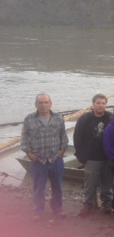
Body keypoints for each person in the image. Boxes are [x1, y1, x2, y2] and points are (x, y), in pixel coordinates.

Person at [21, 93, 69, 221]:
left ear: (50, 104)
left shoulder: (58, 118)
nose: (43, 105)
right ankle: (38, 211)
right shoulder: (29, 119)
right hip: (38, 160)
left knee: (57, 187)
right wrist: (29, 154)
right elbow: (24, 139)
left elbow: (63, 137)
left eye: (46, 102)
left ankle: (57, 209)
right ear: (36, 104)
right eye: (40, 103)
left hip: (56, 159)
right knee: (38, 188)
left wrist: (62, 151)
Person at [73, 93, 114, 216]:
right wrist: (80, 155)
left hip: (107, 157)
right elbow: (77, 137)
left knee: (107, 182)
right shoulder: (84, 118)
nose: (101, 106)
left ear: (106, 105)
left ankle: (107, 202)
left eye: (103, 103)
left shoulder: (110, 117)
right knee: (90, 183)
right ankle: (88, 204)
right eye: (98, 103)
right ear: (93, 104)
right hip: (91, 157)